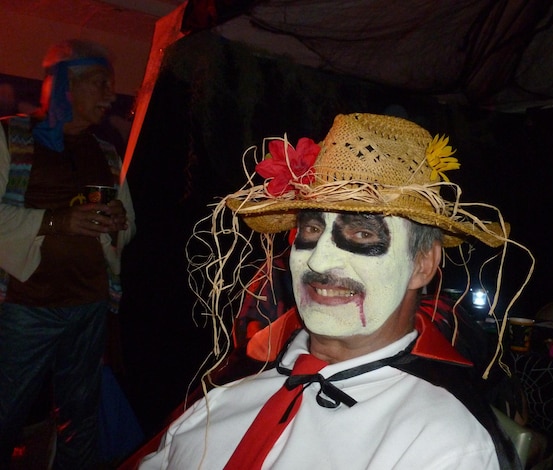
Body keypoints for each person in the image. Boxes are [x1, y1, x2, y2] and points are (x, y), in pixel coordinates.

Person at [139, 113, 530, 469]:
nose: (318, 262)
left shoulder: (442, 443)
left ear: (422, 264)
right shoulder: (221, 399)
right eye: (311, 230)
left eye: (362, 233)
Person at [0, 39, 135, 468]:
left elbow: (129, 224)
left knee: (81, 417)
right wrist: (60, 221)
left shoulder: (107, 151)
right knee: (5, 412)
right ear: (66, 85)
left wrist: (117, 223)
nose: (111, 96)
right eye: (101, 84)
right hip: (25, 306)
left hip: (90, 303)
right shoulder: (9, 135)